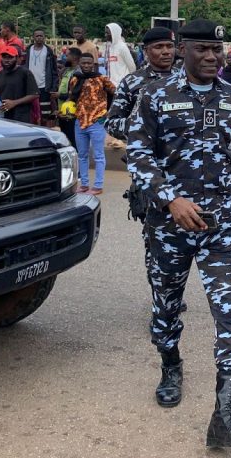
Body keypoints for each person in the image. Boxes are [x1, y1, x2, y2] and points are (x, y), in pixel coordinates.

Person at [127, 19, 231, 448]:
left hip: (220, 226)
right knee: (166, 303)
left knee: (230, 311)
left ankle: (225, 414)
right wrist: (169, 199)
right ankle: (170, 365)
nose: (211, 57)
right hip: (169, 226)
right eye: (202, 49)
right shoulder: (156, 96)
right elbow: (139, 153)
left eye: (217, 50)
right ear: (183, 49)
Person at [105, 27, 178, 290]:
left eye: (169, 47)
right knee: (155, 237)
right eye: (159, 47)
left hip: (182, 170)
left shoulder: (184, 79)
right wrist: (144, 127)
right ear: (146, 51)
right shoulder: (132, 82)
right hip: (149, 171)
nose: (165, 52)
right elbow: (112, 123)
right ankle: (161, 295)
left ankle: (173, 287)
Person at [68, 52, 115, 194]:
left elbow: (114, 92)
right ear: (79, 64)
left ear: (94, 64)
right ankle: (84, 184)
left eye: (89, 63)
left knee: (98, 155)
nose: (86, 65)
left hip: (97, 121)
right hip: (80, 121)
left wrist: (107, 111)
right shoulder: (75, 79)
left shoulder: (101, 79)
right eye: (84, 63)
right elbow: (72, 96)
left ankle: (98, 186)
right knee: (82, 155)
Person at [0, 50, 38, 123]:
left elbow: (34, 94)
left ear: (16, 58)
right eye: (4, 57)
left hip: (22, 117)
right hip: (4, 117)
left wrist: (14, 103)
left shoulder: (25, 73)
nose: (7, 60)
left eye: (10, 57)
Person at [28, 29, 60, 127]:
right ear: (33, 37)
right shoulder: (28, 50)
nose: (39, 38)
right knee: (31, 111)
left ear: (44, 37)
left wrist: (53, 87)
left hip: (44, 86)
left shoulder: (48, 51)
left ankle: (45, 131)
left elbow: (54, 71)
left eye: (41, 36)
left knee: (45, 113)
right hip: (30, 86)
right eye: (37, 36)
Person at [57, 47, 82, 147]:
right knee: (65, 136)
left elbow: (76, 93)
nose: (65, 57)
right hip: (62, 110)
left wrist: (61, 95)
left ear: (74, 57)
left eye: (67, 56)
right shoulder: (66, 70)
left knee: (73, 138)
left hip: (72, 112)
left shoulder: (78, 72)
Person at [104, 22, 138, 87]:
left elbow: (132, 67)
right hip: (110, 85)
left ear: (114, 33)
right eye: (105, 33)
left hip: (121, 85)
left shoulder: (122, 47)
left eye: (107, 33)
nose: (105, 35)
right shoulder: (109, 47)